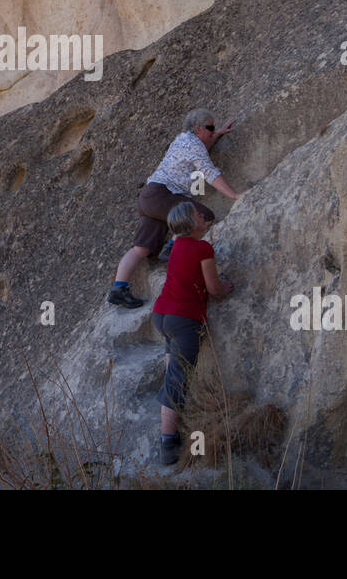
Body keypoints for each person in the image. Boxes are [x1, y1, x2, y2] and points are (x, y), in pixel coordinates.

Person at [106, 108, 241, 308]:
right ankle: (172, 248)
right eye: (210, 128)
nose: (213, 131)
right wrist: (235, 196)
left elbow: (200, 154)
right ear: (197, 128)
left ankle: (119, 288)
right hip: (163, 194)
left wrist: (217, 134)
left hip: (149, 197)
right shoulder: (193, 143)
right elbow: (209, 172)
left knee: (141, 248)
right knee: (204, 216)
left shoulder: (184, 140)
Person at [151, 201, 233, 465]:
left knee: (171, 374)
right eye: (199, 214)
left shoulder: (175, 247)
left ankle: (171, 427)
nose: (203, 215)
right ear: (191, 221)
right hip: (184, 319)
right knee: (177, 379)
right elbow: (215, 289)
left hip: (162, 315)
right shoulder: (202, 247)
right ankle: (168, 442)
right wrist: (227, 287)